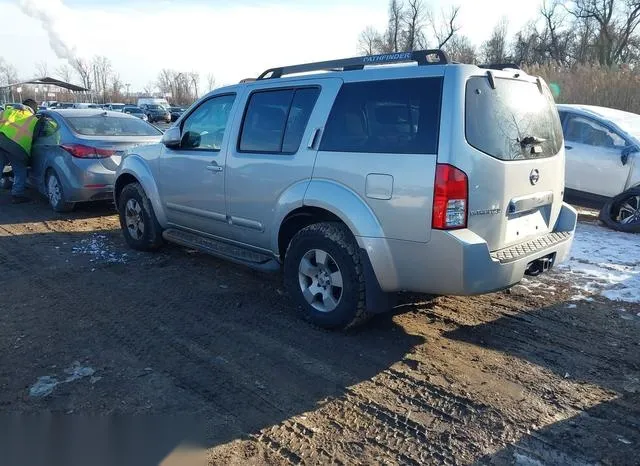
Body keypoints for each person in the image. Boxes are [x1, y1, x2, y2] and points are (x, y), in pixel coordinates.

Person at [0, 98, 39, 203]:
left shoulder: (7, 111)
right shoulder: (33, 119)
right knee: (20, 171)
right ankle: (17, 195)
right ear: (33, 109)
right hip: (17, 147)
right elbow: (36, 137)